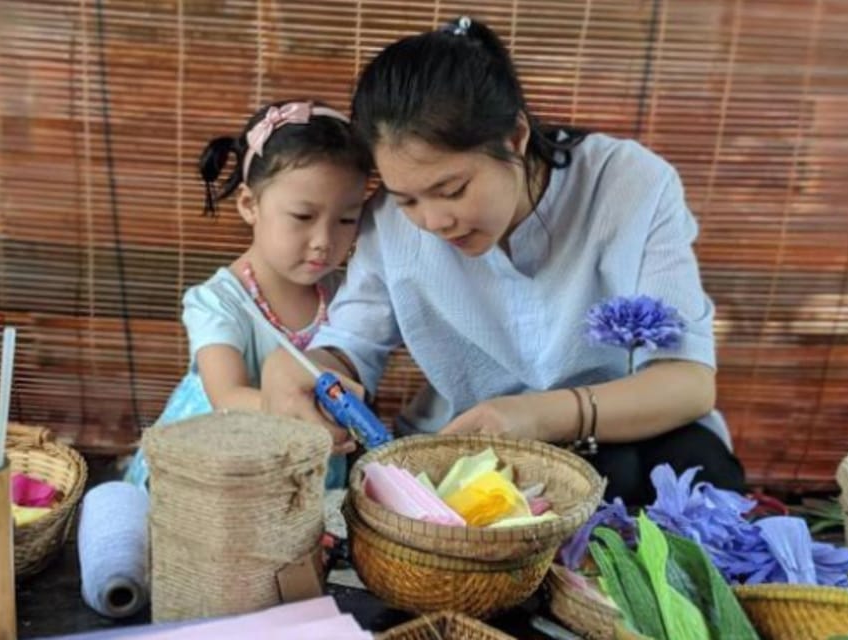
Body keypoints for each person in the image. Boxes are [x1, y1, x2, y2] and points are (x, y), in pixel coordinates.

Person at [261, 17, 745, 505]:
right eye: (407, 199)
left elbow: (687, 383)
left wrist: (537, 415)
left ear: (514, 137)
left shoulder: (628, 186)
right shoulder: (388, 223)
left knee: (685, 482)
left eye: (451, 190)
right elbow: (349, 347)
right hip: (471, 454)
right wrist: (304, 368)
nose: (433, 221)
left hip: (629, 434)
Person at [124, 100, 370, 490]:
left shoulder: (348, 298)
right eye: (303, 217)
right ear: (249, 204)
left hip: (304, 468)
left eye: (346, 219)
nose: (324, 242)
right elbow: (226, 394)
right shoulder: (220, 301)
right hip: (218, 462)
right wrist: (303, 415)